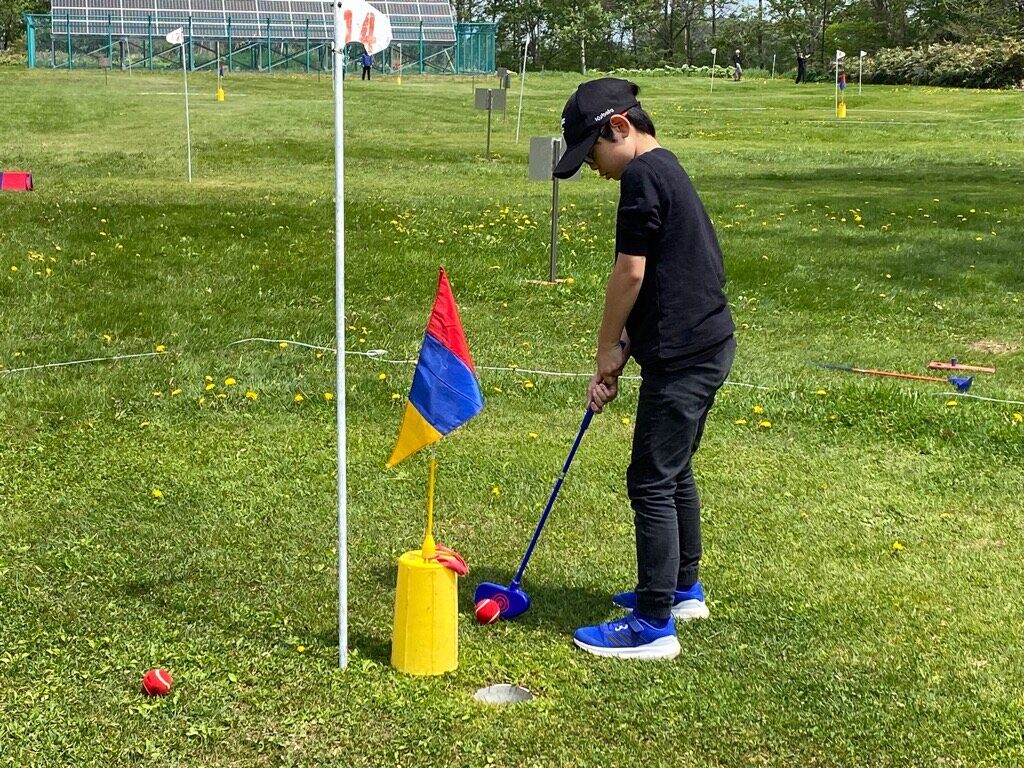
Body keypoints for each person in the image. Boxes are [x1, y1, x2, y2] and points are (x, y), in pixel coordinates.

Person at [552, 78, 736, 660]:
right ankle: (682, 590)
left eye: (592, 155)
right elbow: (665, 277)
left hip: (685, 357)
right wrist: (628, 345)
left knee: (651, 480)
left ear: (620, 127)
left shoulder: (640, 177)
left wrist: (607, 346)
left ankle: (654, 624)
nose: (596, 170)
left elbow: (630, 273)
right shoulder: (666, 167)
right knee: (673, 470)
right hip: (705, 344)